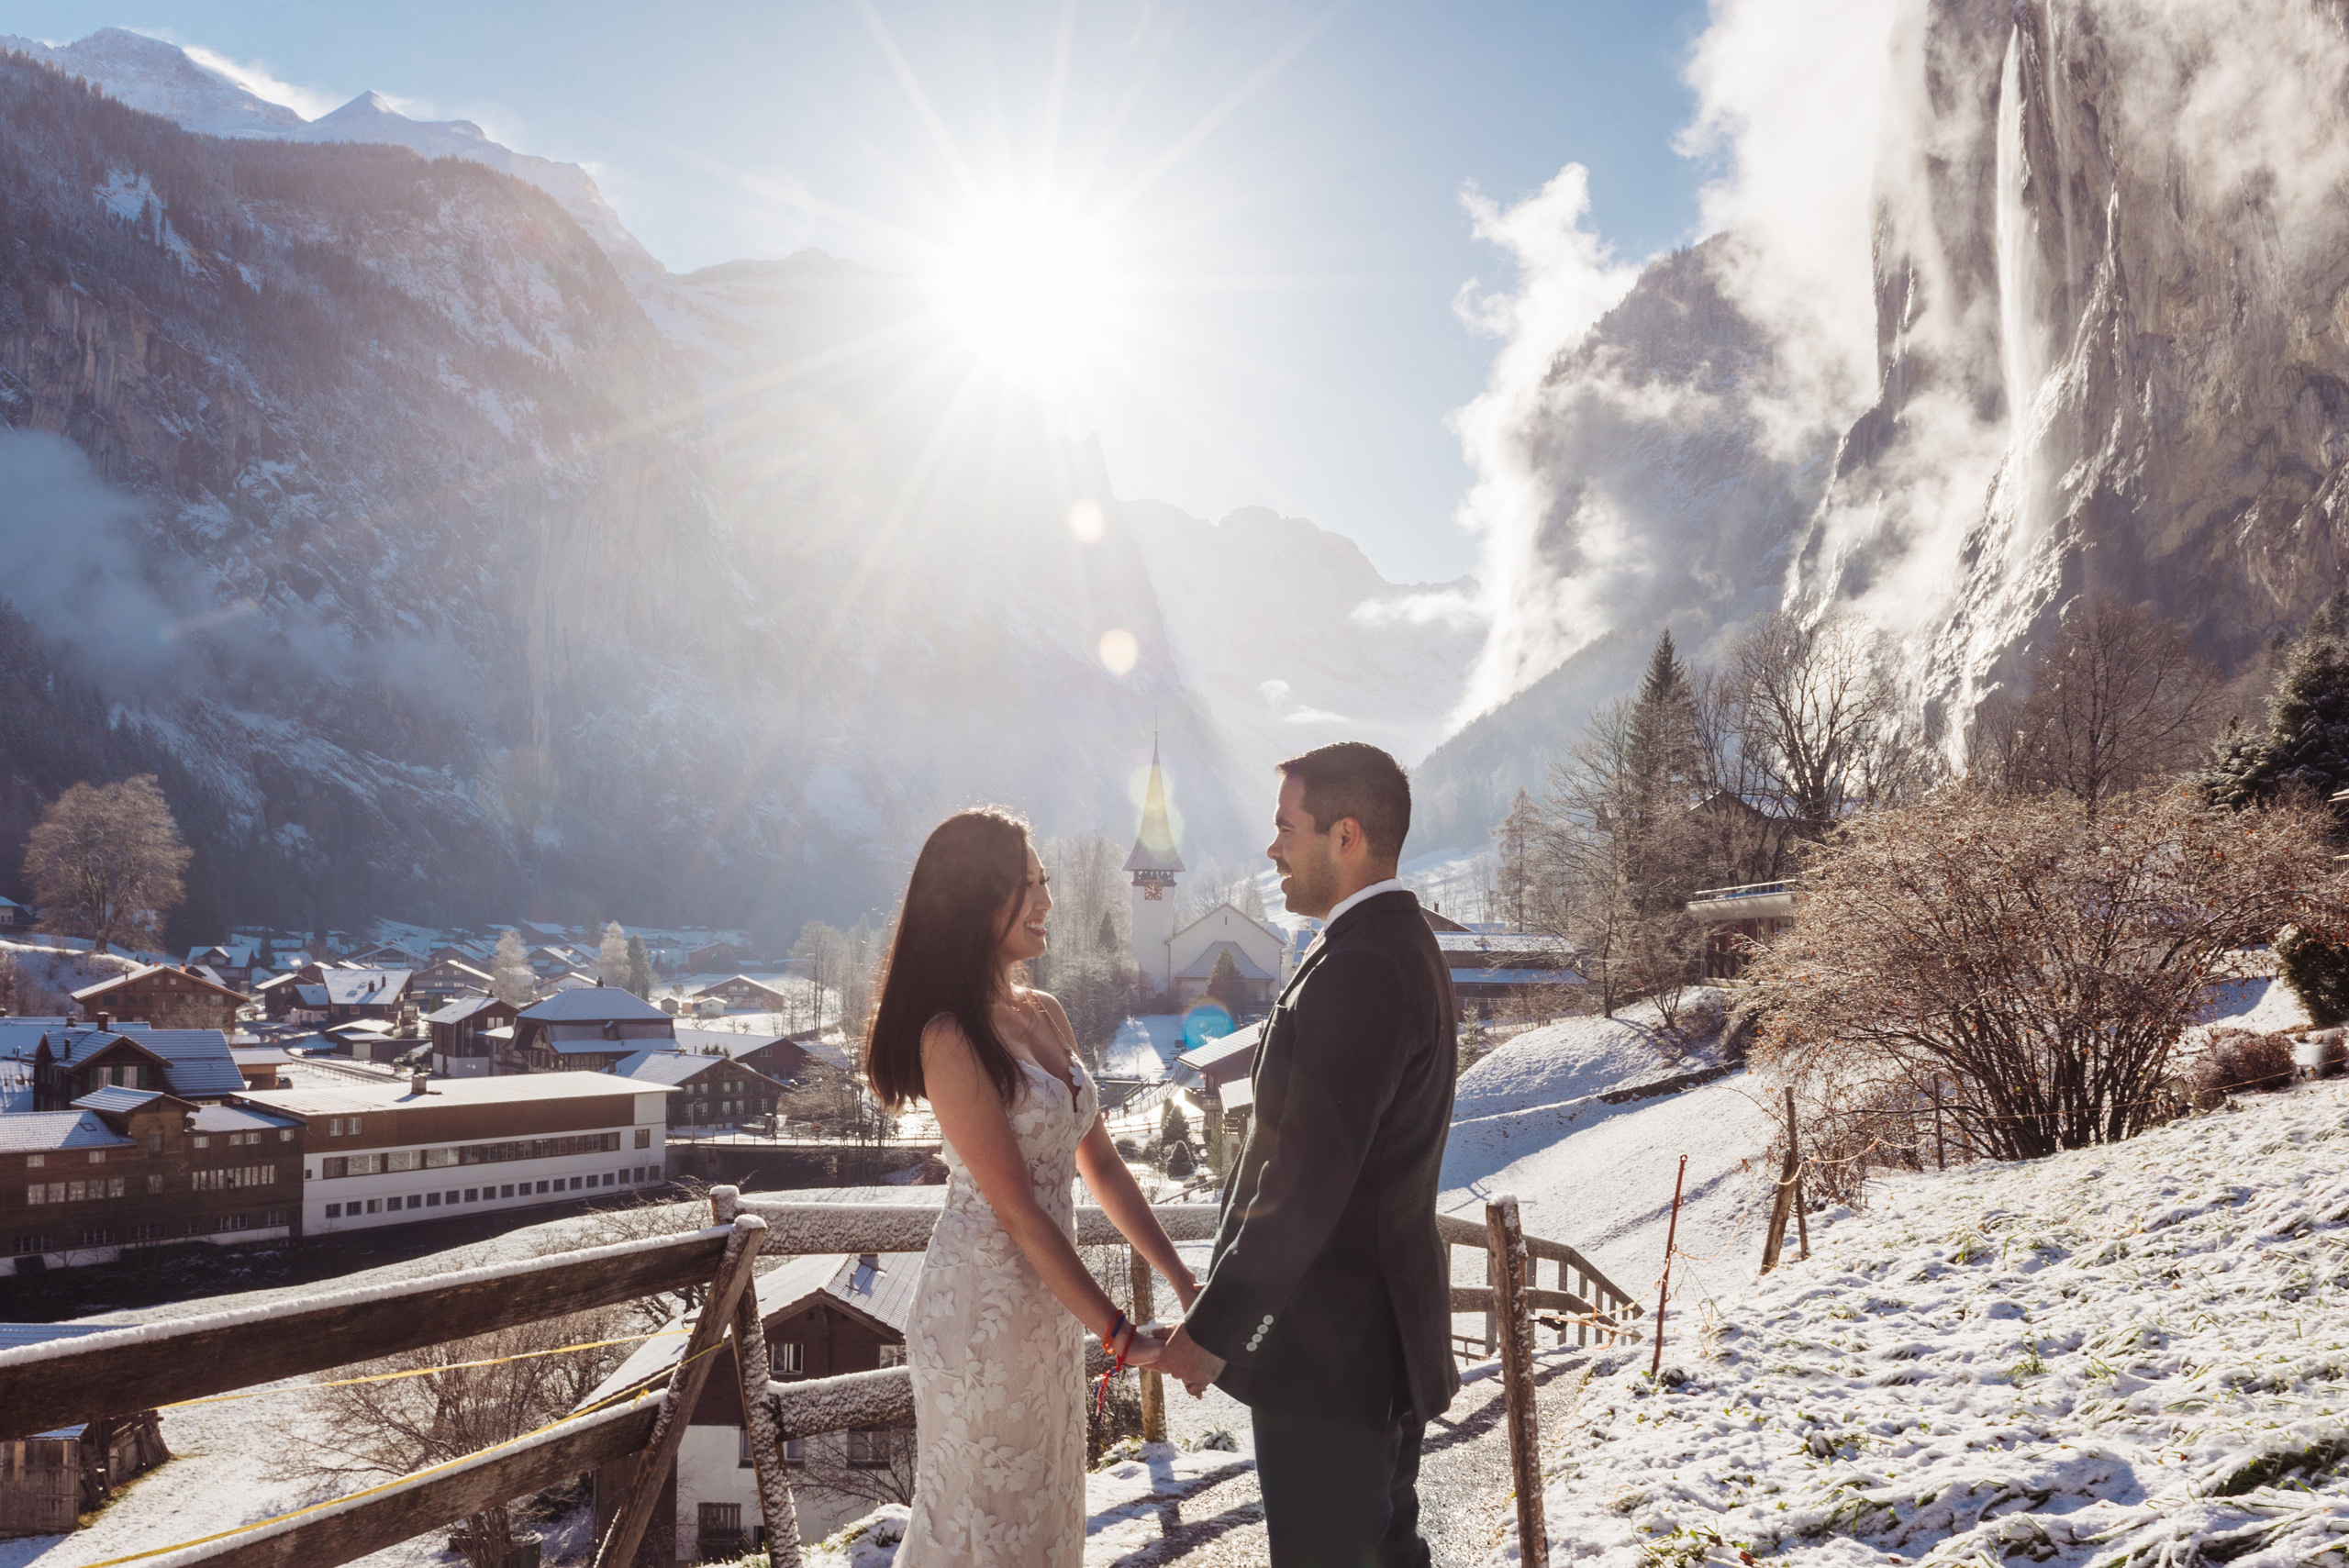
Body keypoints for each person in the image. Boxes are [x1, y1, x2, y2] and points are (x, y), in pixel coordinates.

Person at [1153, 742, 1460, 1568]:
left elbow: (1306, 1181)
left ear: (1346, 836)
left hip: (1335, 1356)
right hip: (1369, 1343)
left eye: (1286, 826)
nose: (1272, 847)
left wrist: (1212, 1327)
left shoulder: (1361, 967)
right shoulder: (1393, 945)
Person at [868, 806, 1197, 1567]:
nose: (1049, 900)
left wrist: (1182, 1279)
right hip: (980, 1319)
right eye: (1028, 885)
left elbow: (1105, 1167)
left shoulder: (1045, 1012)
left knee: (1048, 1520)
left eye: (1046, 881)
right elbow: (1016, 1210)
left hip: (1048, 1316)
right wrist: (1122, 1336)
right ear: (978, 900)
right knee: (983, 1529)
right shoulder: (948, 1035)